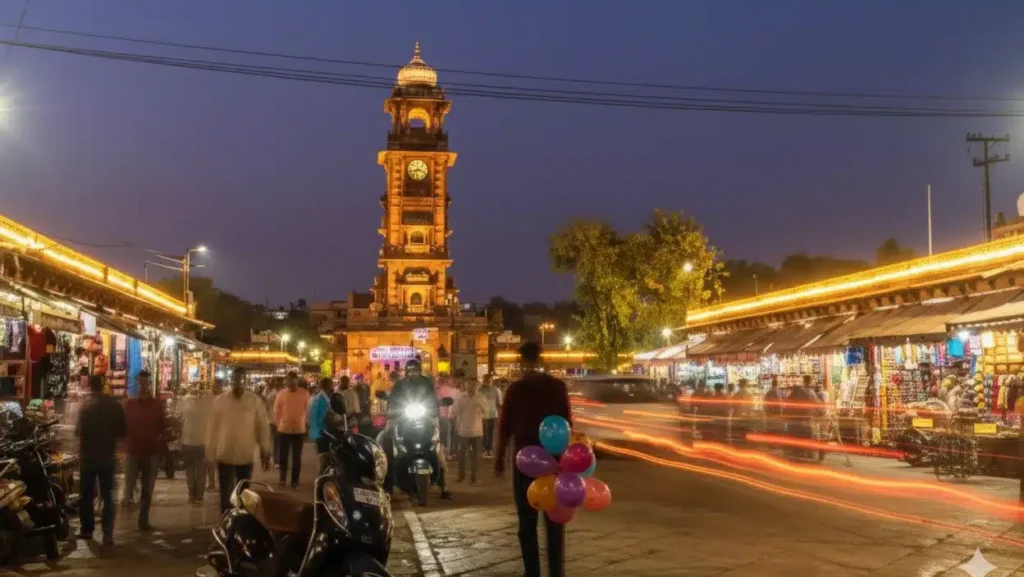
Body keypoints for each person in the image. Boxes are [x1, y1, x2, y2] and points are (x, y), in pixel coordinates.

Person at [495, 342, 571, 577]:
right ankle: (556, 572)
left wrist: (499, 459)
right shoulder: (558, 387)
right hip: (553, 460)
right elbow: (567, 423)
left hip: (525, 461)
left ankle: (533, 573)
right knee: (555, 525)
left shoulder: (516, 389)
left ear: (521, 360)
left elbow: (505, 426)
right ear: (541, 359)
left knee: (527, 523)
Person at [382, 359, 452, 499]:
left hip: (426, 419)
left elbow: (434, 400)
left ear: (420, 370)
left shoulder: (427, 383)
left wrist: (438, 406)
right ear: (406, 371)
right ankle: (387, 486)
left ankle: (444, 485)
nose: (413, 372)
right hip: (404, 419)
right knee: (387, 441)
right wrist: (390, 409)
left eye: (415, 370)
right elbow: (393, 400)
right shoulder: (400, 384)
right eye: (410, 370)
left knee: (437, 444)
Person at [207, 368, 272, 513]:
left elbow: (262, 427)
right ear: (231, 380)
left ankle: (242, 520)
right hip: (224, 453)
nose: (238, 383)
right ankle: (226, 519)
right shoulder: (220, 401)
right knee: (225, 492)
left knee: (244, 492)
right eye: (235, 379)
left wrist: (265, 450)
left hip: (245, 455)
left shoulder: (255, 401)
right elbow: (212, 427)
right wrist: (209, 451)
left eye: (241, 379)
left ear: (245, 381)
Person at [76, 375, 126, 551]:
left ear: (90, 386)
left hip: (88, 456)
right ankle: (108, 533)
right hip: (106, 456)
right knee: (108, 496)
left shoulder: (85, 407)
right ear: (104, 385)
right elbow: (122, 433)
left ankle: (87, 529)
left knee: (87, 495)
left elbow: (78, 433)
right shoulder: (114, 405)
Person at [122, 370, 165, 531]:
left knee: (147, 489)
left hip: (150, 451)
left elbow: (161, 426)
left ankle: (143, 519)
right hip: (133, 450)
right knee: (130, 485)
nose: (143, 386)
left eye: (146, 383)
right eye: (141, 382)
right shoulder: (130, 405)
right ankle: (131, 516)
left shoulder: (156, 404)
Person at [274, 371, 311, 489]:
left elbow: (308, 410)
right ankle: (282, 479)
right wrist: (279, 422)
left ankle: (295, 481)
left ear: (296, 380)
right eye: (288, 380)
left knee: (296, 458)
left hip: (298, 431)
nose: (290, 383)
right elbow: (277, 410)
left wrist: (305, 423)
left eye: (292, 380)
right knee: (283, 457)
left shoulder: (304, 394)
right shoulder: (281, 394)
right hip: (283, 430)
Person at [179, 383, 214, 504]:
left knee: (190, 470)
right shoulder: (206, 407)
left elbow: (179, 420)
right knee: (201, 470)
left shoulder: (186, 405)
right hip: (201, 443)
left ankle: (191, 495)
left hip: (188, 442)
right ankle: (199, 496)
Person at [308, 377, 348, 473]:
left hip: (321, 432)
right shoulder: (320, 400)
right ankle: (321, 481)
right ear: (329, 386)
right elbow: (324, 418)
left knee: (327, 459)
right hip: (322, 433)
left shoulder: (321, 398)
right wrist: (338, 421)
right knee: (324, 459)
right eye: (331, 384)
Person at [452, 379, 487, 483]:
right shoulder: (460, 397)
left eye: (473, 385)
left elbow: (485, 412)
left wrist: (479, 404)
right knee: (461, 455)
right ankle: (461, 476)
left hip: (477, 431)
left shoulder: (480, 397)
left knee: (476, 456)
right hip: (463, 430)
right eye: (469, 385)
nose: (471, 387)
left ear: (476, 386)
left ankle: (474, 477)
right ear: (465, 386)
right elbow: (455, 412)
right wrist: (456, 425)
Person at [478, 374, 501, 457]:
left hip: (492, 414)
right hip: (483, 415)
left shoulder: (496, 390)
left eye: (489, 380)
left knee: (490, 432)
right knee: (484, 432)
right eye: (486, 380)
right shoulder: (479, 390)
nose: (487, 382)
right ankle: (484, 448)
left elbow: (499, 403)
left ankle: (489, 449)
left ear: (491, 381)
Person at [265, 377, 282, 466]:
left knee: (275, 441)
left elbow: (267, 407)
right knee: (277, 441)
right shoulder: (276, 394)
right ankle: (276, 459)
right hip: (275, 420)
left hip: (274, 420)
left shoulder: (271, 393)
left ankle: (275, 459)